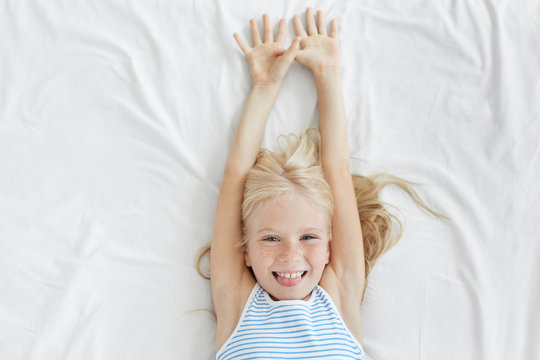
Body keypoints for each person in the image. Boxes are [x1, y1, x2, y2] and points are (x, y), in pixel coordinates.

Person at [202, 7, 444, 359]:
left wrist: (328, 73)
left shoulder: (339, 296)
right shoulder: (238, 302)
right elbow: (236, 173)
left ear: (331, 246)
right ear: (245, 251)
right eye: (270, 238)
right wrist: (265, 86)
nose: (290, 254)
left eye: (309, 237)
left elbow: (337, 167)